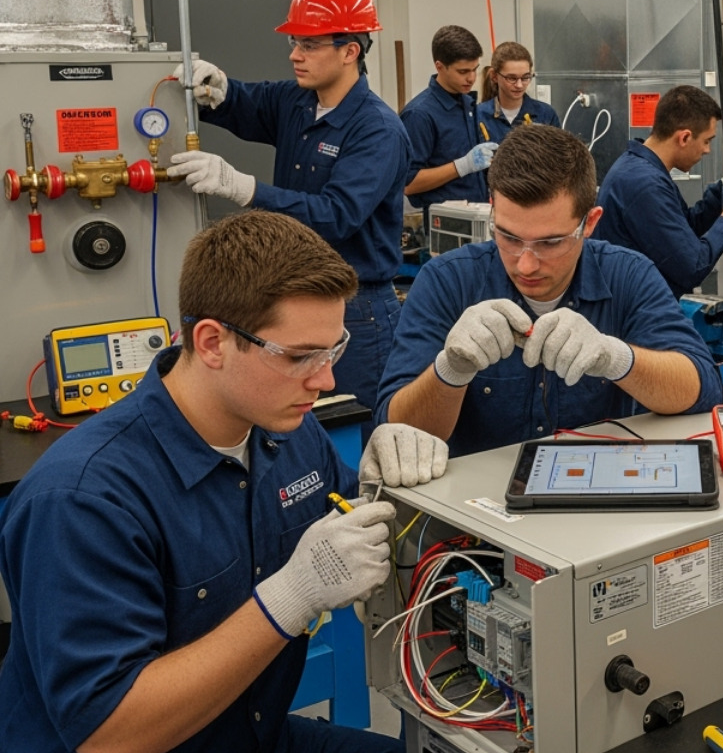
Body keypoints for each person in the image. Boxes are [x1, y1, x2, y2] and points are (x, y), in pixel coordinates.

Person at [0, 210, 449, 753]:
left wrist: (392, 493)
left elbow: (349, 525)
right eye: (301, 356)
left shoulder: (287, 429)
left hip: (250, 733)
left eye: (334, 350)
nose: (326, 379)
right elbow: (109, 736)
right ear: (212, 342)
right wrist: (291, 597)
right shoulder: (82, 498)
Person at [376, 123, 722, 456]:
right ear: (492, 210)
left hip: (596, 490)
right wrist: (450, 371)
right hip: (474, 507)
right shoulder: (445, 281)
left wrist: (614, 358)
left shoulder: (628, 275)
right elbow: (396, 433)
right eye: (509, 236)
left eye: (551, 242)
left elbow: (701, 390)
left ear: (590, 222)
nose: (526, 264)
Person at [167, 0, 410, 417]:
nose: (295, 55)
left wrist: (242, 187)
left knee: (350, 425)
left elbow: (337, 215)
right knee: (294, 426)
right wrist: (214, 89)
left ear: (350, 50)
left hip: (355, 312)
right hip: (294, 299)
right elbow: (246, 102)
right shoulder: (297, 101)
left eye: (310, 45)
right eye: (295, 42)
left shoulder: (377, 130)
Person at [592, 85, 723, 298]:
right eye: (706, 141)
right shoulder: (644, 184)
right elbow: (692, 267)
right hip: (631, 313)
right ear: (684, 138)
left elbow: (685, 230)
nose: (707, 150)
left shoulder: (643, 169)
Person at [401, 25, 492, 209]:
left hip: (477, 212)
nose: (472, 78)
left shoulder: (467, 105)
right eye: (463, 71)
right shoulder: (419, 114)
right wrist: (461, 166)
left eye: (475, 69)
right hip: (444, 224)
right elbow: (408, 184)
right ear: (440, 67)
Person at [476, 41, 559, 142]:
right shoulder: (478, 116)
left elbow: (559, 155)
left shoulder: (545, 114)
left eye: (525, 77)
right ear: (494, 76)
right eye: (511, 78)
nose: (519, 85)